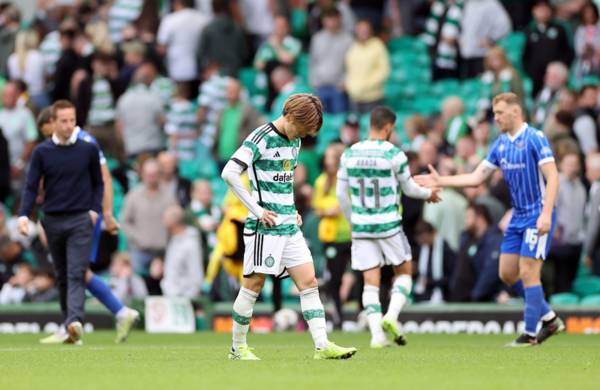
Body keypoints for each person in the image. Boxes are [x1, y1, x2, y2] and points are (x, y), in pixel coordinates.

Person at [415, 92, 564, 347]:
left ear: (515, 112)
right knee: (507, 274)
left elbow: (553, 177)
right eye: (494, 113)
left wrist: (547, 214)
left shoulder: (535, 138)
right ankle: (549, 318)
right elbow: (475, 178)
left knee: (528, 271)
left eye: (500, 113)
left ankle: (530, 335)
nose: (496, 118)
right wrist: (442, 181)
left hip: (537, 214)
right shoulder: (501, 144)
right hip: (517, 216)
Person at [221, 93, 356, 360]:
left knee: (309, 282)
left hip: (288, 225)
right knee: (253, 286)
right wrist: (257, 210)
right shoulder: (261, 137)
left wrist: (292, 209)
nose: (303, 136)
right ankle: (237, 348)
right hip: (265, 227)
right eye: (303, 129)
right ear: (291, 117)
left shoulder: (294, 141)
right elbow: (229, 172)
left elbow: (283, 183)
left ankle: (322, 345)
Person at [336, 106, 440, 348]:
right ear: (388, 127)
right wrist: (429, 194)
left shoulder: (349, 153)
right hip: (388, 224)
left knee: (369, 281)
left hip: (361, 226)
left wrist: (353, 220)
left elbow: (341, 195)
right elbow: (409, 189)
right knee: (404, 272)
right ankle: (391, 317)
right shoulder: (394, 153)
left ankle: (376, 336)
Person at [35, 107, 140, 344]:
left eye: (47, 131)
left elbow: (104, 178)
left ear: (54, 122)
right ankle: (116, 313)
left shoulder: (83, 142)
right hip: (77, 213)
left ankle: (76, 323)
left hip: (82, 214)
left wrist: (106, 213)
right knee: (78, 271)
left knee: (74, 270)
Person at [18, 100, 103, 345]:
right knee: (63, 275)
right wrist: (24, 215)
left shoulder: (87, 150)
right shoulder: (42, 152)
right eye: (63, 121)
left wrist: (95, 210)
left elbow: (98, 183)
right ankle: (69, 326)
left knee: (76, 272)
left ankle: (75, 321)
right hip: (52, 220)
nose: (68, 126)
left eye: (72, 120)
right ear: (53, 122)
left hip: (80, 219)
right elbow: (31, 186)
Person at [312, 143, 351, 329]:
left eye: (329, 156)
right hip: (331, 236)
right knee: (334, 280)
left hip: (351, 234)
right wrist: (328, 211)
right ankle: (338, 319)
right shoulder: (321, 182)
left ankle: (364, 314)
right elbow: (316, 207)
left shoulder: (348, 180)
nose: (327, 160)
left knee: (360, 275)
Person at [121, 159, 177, 274]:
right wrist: (138, 238)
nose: (151, 178)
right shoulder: (133, 195)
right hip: (139, 251)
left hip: (164, 251)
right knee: (139, 286)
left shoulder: (169, 195)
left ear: (159, 175)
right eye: (148, 175)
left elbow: (175, 219)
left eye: (154, 174)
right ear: (142, 175)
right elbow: (124, 221)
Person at [548, 152, 585, 293]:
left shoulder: (580, 187)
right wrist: (554, 229)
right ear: (561, 165)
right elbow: (550, 208)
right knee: (559, 280)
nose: (572, 168)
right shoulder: (556, 184)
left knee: (570, 280)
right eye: (569, 164)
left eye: (575, 164)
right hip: (559, 242)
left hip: (576, 241)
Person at [451, 204, 503, 302]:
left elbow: (490, 272)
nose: (465, 221)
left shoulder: (493, 241)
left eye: (468, 217)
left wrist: (475, 296)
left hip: (479, 301)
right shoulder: (467, 239)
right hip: (460, 299)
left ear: (480, 218)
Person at [344, 19, 390, 114]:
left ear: (371, 31)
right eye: (360, 30)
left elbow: (384, 71)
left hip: (373, 96)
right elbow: (348, 69)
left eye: (366, 29)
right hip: (354, 97)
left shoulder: (378, 45)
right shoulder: (353, 47)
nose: (363, 32)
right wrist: (350, 86)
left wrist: (365, 86)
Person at [161, 204, 204, 298]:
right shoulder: (173, 239)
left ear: (174, 221)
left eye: (165, 217)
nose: (162, 220)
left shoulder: (190, 243)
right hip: (171, 298)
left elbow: (196, 277)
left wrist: (188, 300)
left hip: (184, 301)